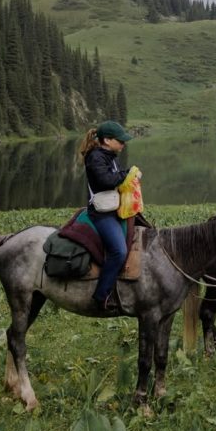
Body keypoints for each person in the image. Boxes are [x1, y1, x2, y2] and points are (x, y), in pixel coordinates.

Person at [79, 120, 133, 310]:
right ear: (107, 140)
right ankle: (101, 296)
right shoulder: (95, 157)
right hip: (101, 214)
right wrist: (128, 175)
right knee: (119, 252)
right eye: (121, 140)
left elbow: (115, 178)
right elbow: (105, 181)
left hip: (114, 209)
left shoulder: (110, 156)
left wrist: (127, 174)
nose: (123, 143)